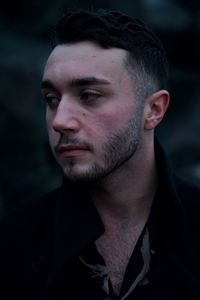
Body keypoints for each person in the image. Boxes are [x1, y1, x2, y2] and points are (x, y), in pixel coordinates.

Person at [0, 8, 200, 300]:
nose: (59, 120)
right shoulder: (13, 243)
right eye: (51, 99)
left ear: (153, 110)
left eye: (89, 96)